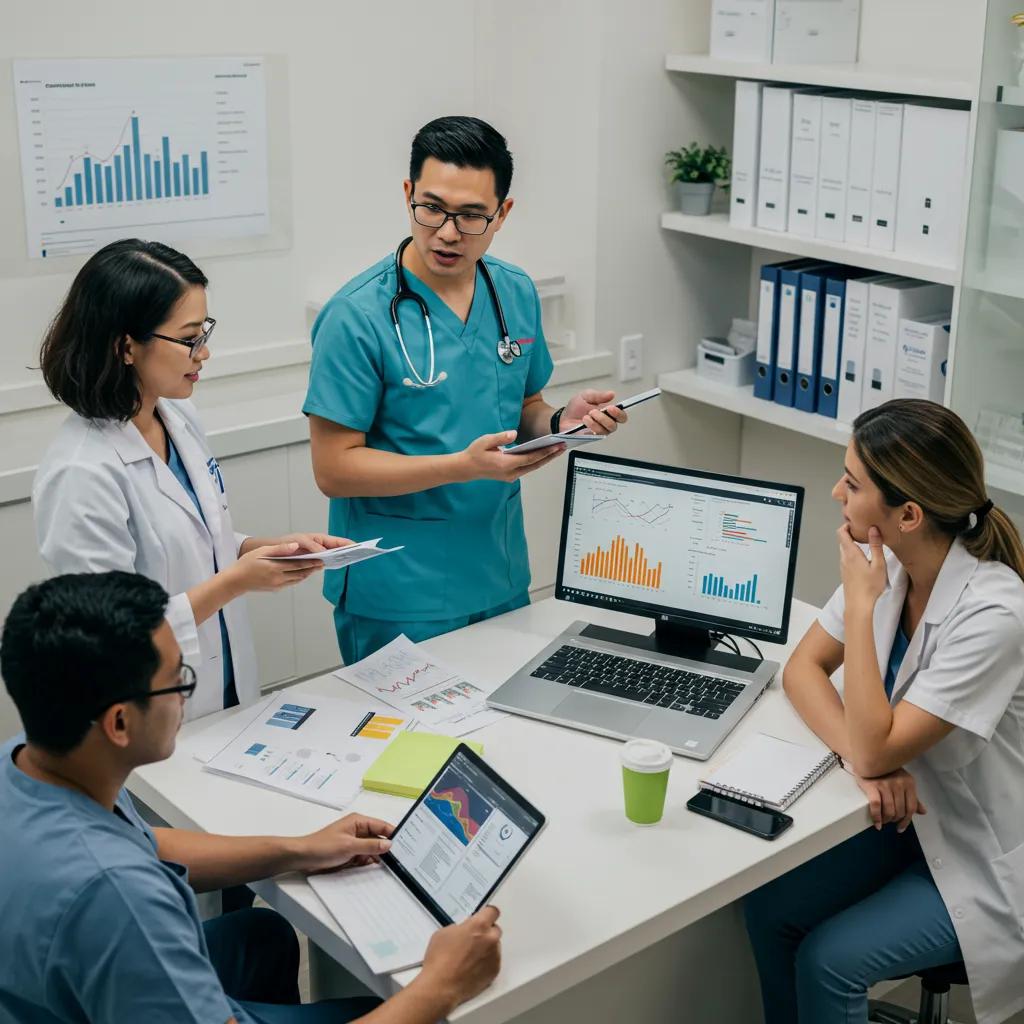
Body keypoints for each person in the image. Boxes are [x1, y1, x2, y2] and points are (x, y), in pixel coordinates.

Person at [0, 571, 503, 1023]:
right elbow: (119, 876)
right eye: (178, 680)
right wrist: (442, 984)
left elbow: (140, 842)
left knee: (262, 937)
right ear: (119, 722)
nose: (184, 694)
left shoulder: (28, 761)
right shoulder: (120, 900)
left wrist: (297, 849)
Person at [304, 115, 629, 664]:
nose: (448, 232)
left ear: (502, 214)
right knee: (414, 750)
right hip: (399, 590)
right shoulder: (356, 316)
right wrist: (464, 466)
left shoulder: (514, 292)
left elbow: (524, 406)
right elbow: (333, 470)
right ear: (408, 195)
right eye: (431, 208)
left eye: (472, 215)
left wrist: (559, 423)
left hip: (498, 575)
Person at [743, 399, 1024, 1024]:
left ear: (908, 513)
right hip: (910, 821)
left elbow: (875, 745)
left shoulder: (995, 614)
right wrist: (865, 759)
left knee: (830, 960)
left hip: (984, 850)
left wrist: (865, 610)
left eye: (853, 481)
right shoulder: (893, 564)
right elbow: (802, 670)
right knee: (767, 907)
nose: (836, 490)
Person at [34, 239, 350, 720]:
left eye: (204, 333)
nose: (204, 353)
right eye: (188, 339)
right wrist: (236, 581)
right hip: (142, 708)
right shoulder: (81, 471)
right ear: (125, 346)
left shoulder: (176, 417)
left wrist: (257, 550)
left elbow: (189, 539)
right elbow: (109, 631)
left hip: (221, 687)